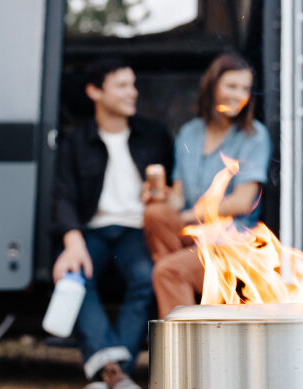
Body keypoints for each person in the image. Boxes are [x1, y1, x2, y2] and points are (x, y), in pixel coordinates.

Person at [53, 58, 173, 389]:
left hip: (137, 230)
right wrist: (72, 242)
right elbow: (62, 196)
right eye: (121, 85)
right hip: (93, 229)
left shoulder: (154, 135)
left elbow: (173, 188)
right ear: (94, 91)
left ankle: (106, 372)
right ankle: (115, 373)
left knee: (145, 279)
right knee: (75, 277)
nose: (132, 92)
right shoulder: (75, 142)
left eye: (133, 84)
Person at [143, 53, 272, 319]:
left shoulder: (254, 135)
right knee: (154, 213)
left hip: (229, 240)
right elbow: (178, 197)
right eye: (231, 86)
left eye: (245, 89)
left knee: (166, 270)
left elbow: (241, 202)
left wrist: (186, 216)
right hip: (191, 236)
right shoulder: (190, 132)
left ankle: (184, 331)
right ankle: (192, 295)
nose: (239, 95)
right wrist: (161, 195)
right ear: (212, 86)